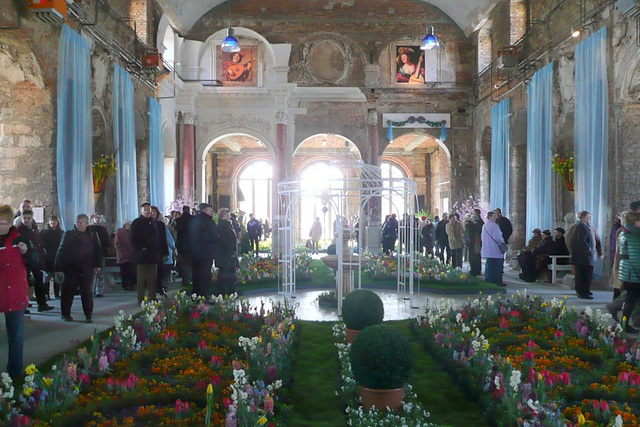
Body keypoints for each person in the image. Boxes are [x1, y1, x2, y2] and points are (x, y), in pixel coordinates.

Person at [0, 205, 33, 377]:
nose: (1, 227)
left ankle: (15, 371)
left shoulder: (19, 239)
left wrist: (26, 252)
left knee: (16, 336)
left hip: (16, 294)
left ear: (10, 222)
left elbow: (34, 262)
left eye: (4, 223)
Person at [55, 214, 102, 323]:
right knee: (68, 292)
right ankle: (65, 314)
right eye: (77, 222)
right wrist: (58, 268)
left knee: (86, 292)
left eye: (81, 222)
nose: (78, 224)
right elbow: (61, 251)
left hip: (86, 268)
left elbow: (98, 250)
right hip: (71, 268)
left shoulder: (92, 235)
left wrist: (98, 265)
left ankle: (88, 315)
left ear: (86, 223)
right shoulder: (69, 234)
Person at [129, 203, 169, 304]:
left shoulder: (155, 223)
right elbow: (132, 238)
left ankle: (152, 295)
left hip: (153, 254)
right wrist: (141, 248)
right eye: (145, 209)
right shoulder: (136, 223)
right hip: (142, 255)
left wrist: (164, 252)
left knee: (153, 277)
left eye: (148, 209)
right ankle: (140, 298)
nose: (147, 211)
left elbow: (161, 239)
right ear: (141, 211)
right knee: (141, 278)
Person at [17, 210, 53, 312]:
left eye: (29, 218)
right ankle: (23, 305)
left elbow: (37, 241)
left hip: (35, 258)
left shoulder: (34, 228)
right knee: (24, 282)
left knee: (39, 280)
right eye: (25, 218)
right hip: (24, 259)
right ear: (21, 218)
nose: (27, 220)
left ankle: (41, 304)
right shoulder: (18, 230)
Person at [617, 210, 640, 333]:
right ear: (636, 222)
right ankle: (624, 324)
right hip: (633, 274)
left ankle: (624, 323)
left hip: (628, 272)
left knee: (630, 300)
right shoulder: (633, 235)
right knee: (631, 300)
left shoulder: (626, 233)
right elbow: (636, 257)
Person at [571, 210, 602, 300]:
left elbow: (596, 240)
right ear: (583, 217)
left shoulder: (589, 227)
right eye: (588, 217)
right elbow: (581, 242)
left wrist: (598, 252)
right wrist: (588, 250)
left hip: (587, 256)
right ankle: (582, 292)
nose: (590, 218)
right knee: (582, 275)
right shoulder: (580, 227)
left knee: (587, 274)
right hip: (582, 256)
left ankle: (586, 290)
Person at [190, 203, 218, 297]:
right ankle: (203, 296)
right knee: (205, 276)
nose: (212, 212)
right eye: (210, 210)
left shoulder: (194, 220)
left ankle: (196, 295)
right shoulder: (206, 221)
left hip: (195, 253)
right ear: (204, 210)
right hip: (205, 253)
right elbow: (210, 236)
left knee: (196, 275)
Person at [215, 208, 239, 296]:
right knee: (226, 273)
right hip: (226, 254)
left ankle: (229, 291)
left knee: (228, 272)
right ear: (222, 216)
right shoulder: (223, 225)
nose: (228, 215)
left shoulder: (227, 224)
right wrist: (232, 252)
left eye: (228, 213)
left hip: (226, 253)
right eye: (226, 214)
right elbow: (226, 240)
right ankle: (225, 291)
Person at [40, 216, 64, 299]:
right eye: (51, 221)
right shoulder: (44, 232)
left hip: (58, 257)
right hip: (47, 257)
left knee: (57, 276)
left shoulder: (61, 233)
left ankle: (57, 293)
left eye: (54, 221)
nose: (53, 222)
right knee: (47, 276)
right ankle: (46, 294)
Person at [87, 214, 110, 298]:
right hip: (89, 252)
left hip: (100, 251)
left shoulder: (103, 229)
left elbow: (106, 241)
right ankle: (89, 289)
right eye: (95, 218)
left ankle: (99, 290)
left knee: (99, 272)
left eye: (98, 218)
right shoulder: (89, 228)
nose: (97, 220)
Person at [481, 211, 506, 286]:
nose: (496, 218)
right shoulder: (494, 225)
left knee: (489, 265)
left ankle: (488, 279)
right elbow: (498, 237)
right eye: (494, 216)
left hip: (488, 248)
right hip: (495, 249)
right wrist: (502, 242)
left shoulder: (485, 225)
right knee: (497, 266)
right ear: (490, 217)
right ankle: (497, 281)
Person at [175, 205, 193, 288]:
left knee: (183, 263)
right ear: (189, 210)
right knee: (191, 262)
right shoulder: (193, 219)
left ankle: (185, 279)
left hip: (181, 244)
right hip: (191, 244)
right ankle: (190, 278)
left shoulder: (178, 220)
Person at [114, 220, 136, 291]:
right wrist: (122, 250)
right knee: (124, 271)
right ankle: (125, 285)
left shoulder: (132, 232)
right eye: (129, 224)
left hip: (131, 254)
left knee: (132, 270)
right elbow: (117, 243)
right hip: (123, 255)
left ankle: (132, 284)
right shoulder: (119, 232)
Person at [465, 211, 483, 276]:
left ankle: (474, 270)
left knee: (474, 257)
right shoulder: (479, 224)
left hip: (475, 242)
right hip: (476, 242)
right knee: (477, 256)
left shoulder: (473, 225)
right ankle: (477, 270)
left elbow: (469, 233)